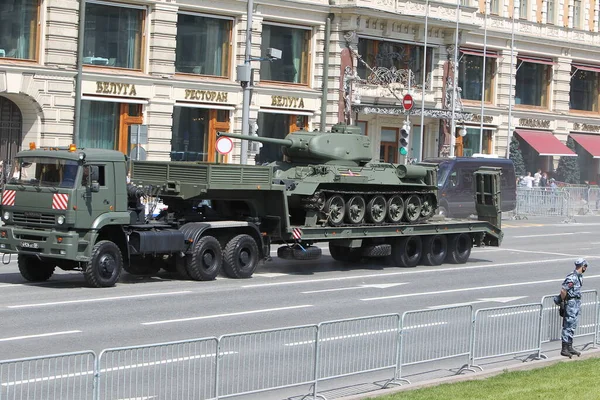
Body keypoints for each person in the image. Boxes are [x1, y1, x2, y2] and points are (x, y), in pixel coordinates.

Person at [558, 258, 588, 358]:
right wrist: (562, 303)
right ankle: (564, 348)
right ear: (583, 266)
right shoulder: (572, 277)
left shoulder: (580, 277)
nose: (585, 268)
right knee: (568, 324)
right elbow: (563, 290)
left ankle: (570, 346)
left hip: (576, 303)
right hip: (570, 303)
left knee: (573, 325)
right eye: (585, 267)